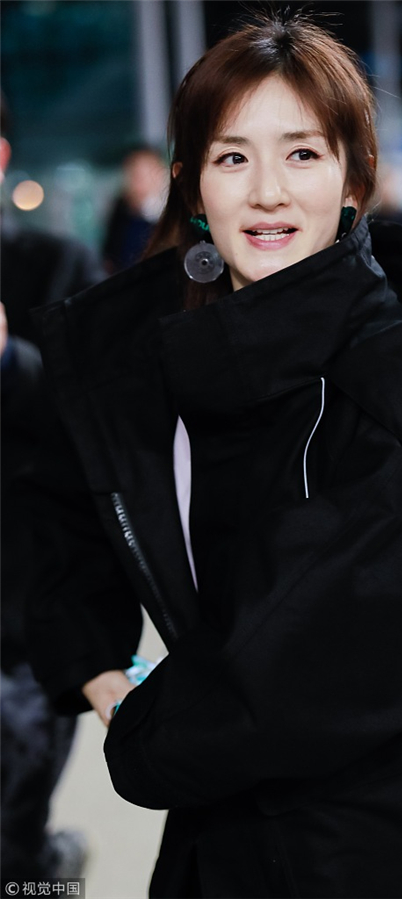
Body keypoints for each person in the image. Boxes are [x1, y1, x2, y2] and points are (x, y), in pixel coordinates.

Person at [26, 13, 402, 898]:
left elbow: (304, 667)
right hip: (222, 834)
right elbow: (68, 499)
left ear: (353, 179)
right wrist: (97, 663)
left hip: (398, 842)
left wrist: (143, 732)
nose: (267, 191)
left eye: (302, 153)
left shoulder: (400, 377)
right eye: (233, 157)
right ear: (193, 185)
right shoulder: (153, 356)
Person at [0, 93, 102, 887]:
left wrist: (8, 360)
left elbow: (93, 422)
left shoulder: (53, 264)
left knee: (11, 821)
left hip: (20, 611)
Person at [102, 145, 168, 274]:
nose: (137, 181)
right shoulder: (120, 212)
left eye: (143, 175)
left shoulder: (172, 215)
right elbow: (109, 258)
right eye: (132, 174)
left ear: (160, 175)